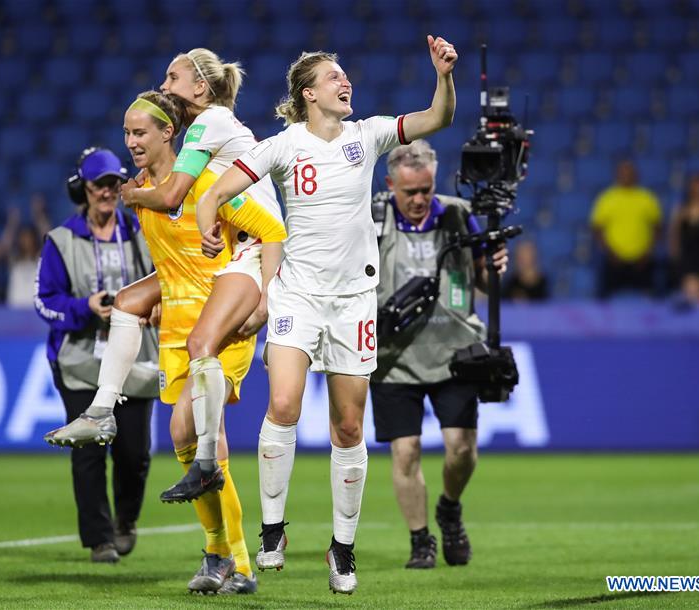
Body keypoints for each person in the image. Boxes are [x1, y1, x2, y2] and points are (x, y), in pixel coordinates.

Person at [195, 36, 459, 594]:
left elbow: (439, 116)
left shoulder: (370, 135)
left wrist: (443, 74)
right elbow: (221, 187)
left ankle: (342, 548)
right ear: (308, 93)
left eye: (346, 76)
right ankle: (272, 532)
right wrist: (205, 216)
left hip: (354, 302)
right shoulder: (283, 146)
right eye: (334, 78)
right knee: (285, 403)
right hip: (297, 296)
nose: (346, 84)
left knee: (347, 425)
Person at [45, 90, 285, 594]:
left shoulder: (205, 181)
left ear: (167, 133)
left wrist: (264, 301)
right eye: (127, 133)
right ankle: (218, 555)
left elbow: (269, 229)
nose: (131, 141)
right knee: (183, 438)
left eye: (141, 133)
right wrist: (153, 295)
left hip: (222, 325)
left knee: (203, 438)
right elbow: (172, 260)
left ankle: (236, 563)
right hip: (177, 326)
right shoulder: (141, 191)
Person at [368, 140, 507, 570]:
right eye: (409, 191)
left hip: (456, 352)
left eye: (425, 189)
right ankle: (419, 539)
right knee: (405, 452)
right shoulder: (373, 216)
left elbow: (483, 284)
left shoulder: (457, 215)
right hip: (393, 357)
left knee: (461, 449)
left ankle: (449, 508)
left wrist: (494, 267)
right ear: (391, 184)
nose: (418, 199)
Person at [35, 147, 158, 564]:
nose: (107, 192)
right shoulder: (61, 241)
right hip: (81, 361)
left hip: (135, 358)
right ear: (82, 189)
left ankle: (126, 519)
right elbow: (44, 302)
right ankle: (100, 539)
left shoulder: (142, 230)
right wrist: (84, 307)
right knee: (88, 454)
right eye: (98, 185)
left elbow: (169, 278)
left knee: (134, 452)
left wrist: (155, 307)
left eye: (112, 184)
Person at [589, 160, 662, 298]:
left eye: (629, 173)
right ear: (617, 176)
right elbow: (597, 230)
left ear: (636, 175)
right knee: (605, 298)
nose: (626, 176)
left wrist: (648, 252)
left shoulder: (647, 198)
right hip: (614, 259)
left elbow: (657, 228)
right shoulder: (607, 198)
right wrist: (610, 253)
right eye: (623, 174)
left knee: (651, 297)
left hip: (642, 260)